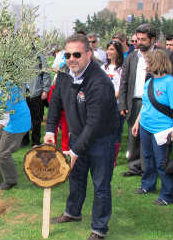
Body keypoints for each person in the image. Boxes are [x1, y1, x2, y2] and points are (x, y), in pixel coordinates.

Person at [44, 34, 118, 240]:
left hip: (101, 140)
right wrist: (50, 131)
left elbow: (94, 123)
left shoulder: (100, 82)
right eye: (68, 55)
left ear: (89, 54)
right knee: (76, 178)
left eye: (76, 54)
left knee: (101, 185)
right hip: (77, 135)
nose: (72, 59)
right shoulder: (65, 75)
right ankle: (72, 212)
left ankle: (99, 229)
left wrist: (75, 151)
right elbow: (55, 104)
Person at [118, 23, 173, 177]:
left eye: (143, 39)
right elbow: (124, 81)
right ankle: (135, 167)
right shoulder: (132, 56)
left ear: (152, 40)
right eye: (137, 39)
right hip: (135, 101)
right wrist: (123, 103)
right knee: (134, 135)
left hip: (157, 104)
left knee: (154, 138)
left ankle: (153, 168)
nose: (139, 42)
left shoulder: (165, 55)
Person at [131, 49, 173, 206]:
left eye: (148, 62)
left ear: (156, 62)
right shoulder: (149, 82)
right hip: (146, 126)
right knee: (146, 158)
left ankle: (167, 195)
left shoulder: (170, 83)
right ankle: (148, 185)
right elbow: (145, 105)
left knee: (162, 162)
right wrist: (137, 122)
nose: (146, 65)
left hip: (162, 130)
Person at [0, 80, 31, 190]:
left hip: (18, 123)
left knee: (2, 153)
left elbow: (4, 118)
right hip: (10, 121)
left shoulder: (0, 87)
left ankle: (11, 180)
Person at [101, 40, 124, 166]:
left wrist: (110, 98)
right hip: (103, 105)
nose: (109, 52)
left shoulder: (122, 69)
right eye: (108, 49)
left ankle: (113, 157)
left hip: (116, 105)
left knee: (115, 132)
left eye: (112, 49)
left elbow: (121, 88)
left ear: (118, 52)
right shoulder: (103, 68)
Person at [21, 51, 51, 147]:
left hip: (36, 93)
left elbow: (46, 73)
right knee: (24, 118)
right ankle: (24, 140)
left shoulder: (39, 56)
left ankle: (36, 141)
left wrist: (45, 90)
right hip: (22, 94)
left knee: (36, 119)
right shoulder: (18, 54)